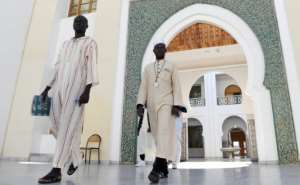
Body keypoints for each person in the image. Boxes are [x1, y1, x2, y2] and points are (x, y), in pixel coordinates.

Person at [38, 15, 99, 184]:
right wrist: (47, 88)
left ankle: (57, 169)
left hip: (77, 90)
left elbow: (92, 67)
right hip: (59, 88)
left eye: (82, 21)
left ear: (86, 25)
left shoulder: (90, 43)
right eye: (76, 21)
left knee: (66, 126)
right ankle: (76, 156)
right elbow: (57, 67)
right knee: (57, 125)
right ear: (73, 25)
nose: (78, 23)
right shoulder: (65, 44)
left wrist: (87, 90)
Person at [137, 43, 187, 183]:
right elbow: (143, 87)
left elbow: (176, 85)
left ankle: (156, 167)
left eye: (161, 47)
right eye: (157, 47)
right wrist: (140, 104)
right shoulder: (147, 69)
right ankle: (164, 168)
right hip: (152, 106)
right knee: (158, 136)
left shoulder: (172, 66)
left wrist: (176, 104)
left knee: (164, 131)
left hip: (167, 103)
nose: (159, 49)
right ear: (153, 51)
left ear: (165, 50)